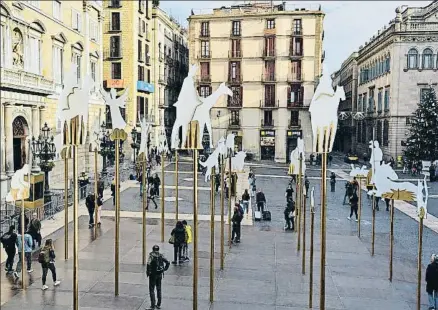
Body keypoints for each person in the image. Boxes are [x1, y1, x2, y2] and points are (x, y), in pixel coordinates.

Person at [146, 245, 170, 310]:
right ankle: (159, 304)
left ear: (153, 249)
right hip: (159, 274)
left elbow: (148, 264)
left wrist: (148, 273)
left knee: (151, 289)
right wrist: (165, 269)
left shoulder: (151, 256)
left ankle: (152, 305)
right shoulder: (161, 255)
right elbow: (168, 262)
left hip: (153, 275)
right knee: (159, 289)